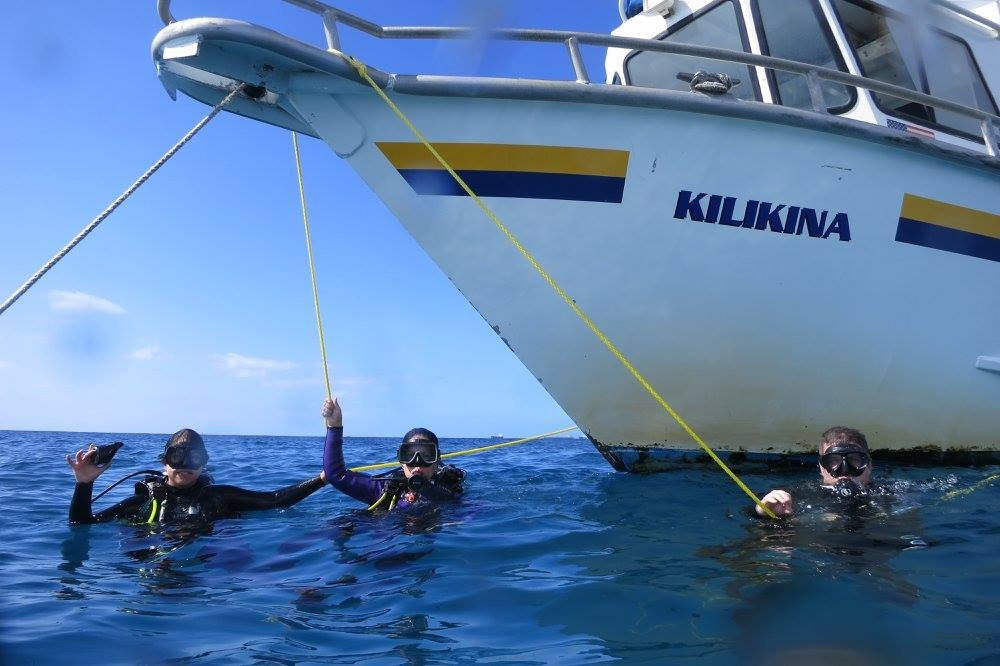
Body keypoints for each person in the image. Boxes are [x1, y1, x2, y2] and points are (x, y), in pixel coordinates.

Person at [67, 428, 326, 524]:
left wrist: (323, 478)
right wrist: (85, 483)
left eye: (195, 459)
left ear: (204, 464)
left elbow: (275, 500)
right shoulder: (143, 503)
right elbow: (82, 522)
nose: (185, 466)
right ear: (164, 462)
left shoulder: (220, 497)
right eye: (177, 458)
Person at [321, 398, 465, 510]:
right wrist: (335, 425)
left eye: (426, 456)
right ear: (401, 461)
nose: (417, 464)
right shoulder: (385, 490)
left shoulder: (451, 493)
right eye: (409, 455)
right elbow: (336, 475)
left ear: (436, 462)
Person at [756, 426, 873, 517]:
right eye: (833, 461)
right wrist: (765, 512)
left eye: (854, 460)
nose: (844, 470)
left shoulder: (888, 494)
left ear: (870, 465)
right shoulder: (797, 495)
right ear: (821, 467)